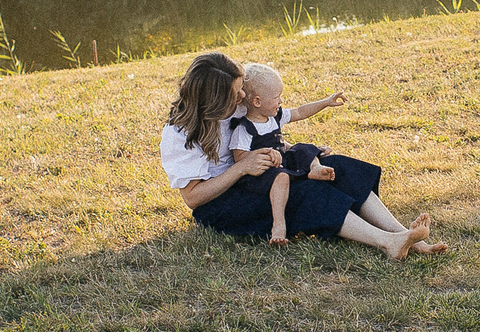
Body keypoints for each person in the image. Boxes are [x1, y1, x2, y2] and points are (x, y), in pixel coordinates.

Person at [158, 50, 444, 260]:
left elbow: (264, 133)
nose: (242, 97)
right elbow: (193, 198)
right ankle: (387, 242)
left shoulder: (238, 106)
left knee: (335, 167)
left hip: (256, 176)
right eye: (235, 93)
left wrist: (296, 153)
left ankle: (404, 235)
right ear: (214, 100)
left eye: (241, 89)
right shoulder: (180, 134)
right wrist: (242, 168)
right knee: (305, 192)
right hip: (224, 204)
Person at [228, 61, 352, 245]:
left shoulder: (274, 116)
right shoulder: (244, 129)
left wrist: (326, 102)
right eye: (276, 97)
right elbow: (239, 157)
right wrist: (266, 154)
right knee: (282, 177)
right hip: (263, 174)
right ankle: (279, 224)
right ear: (257, 102)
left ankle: (315, 168)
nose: (281, 101)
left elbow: (300, 112)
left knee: (302, 148)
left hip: (282, 162)